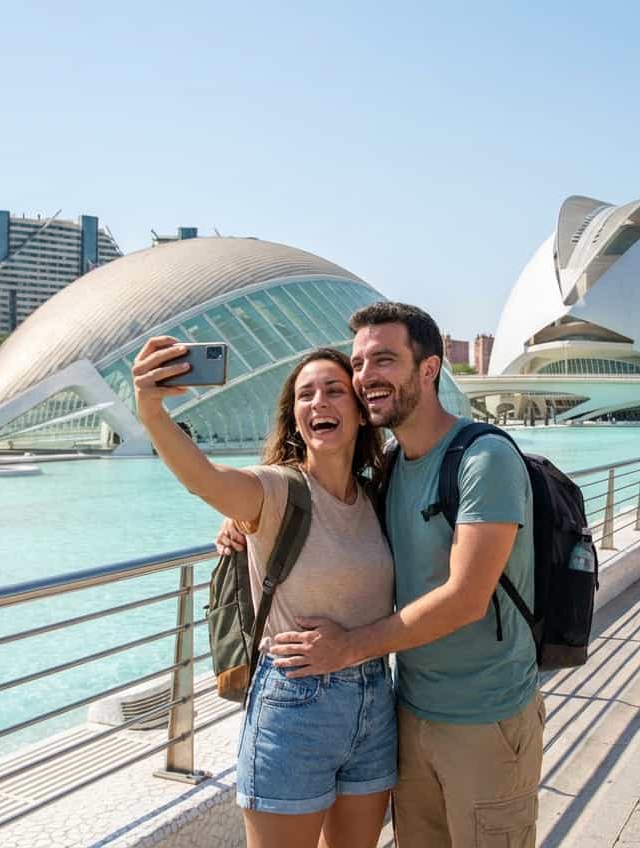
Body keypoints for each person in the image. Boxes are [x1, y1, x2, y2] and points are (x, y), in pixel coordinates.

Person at [219, 302, 542, 847]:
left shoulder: (483, 459)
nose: (367, 375)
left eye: (385, 360)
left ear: (429, 370)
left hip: (487, 719)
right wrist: (239, 522)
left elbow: (465, 598)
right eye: (361, 363)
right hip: (408, 717)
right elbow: (321, 514)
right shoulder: (389, 470)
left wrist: (348, 649)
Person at [133, 342, 395, 848]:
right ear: (295, 418)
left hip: (374, 702)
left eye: (335, 390)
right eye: (306, 394)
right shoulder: (275, 491)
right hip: (295, 705)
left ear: (361, 414)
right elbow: (203, 479)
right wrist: (151, 410)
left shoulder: (376, 497)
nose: (319, 401)